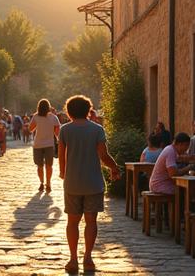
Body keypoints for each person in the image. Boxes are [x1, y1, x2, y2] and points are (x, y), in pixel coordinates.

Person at [58, 95, 120, 274]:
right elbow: (103, 155)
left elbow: (61, 156)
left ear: (69, 112)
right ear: (88, 111)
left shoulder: (65, 130)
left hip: (72, 183)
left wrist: (63, 173)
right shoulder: (97, 129)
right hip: (93, 182)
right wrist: (114, 168)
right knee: (91, 221)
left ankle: (72, 259)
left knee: (72, 222)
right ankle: (88, 258)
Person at [29, 99, 61, 193]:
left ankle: (41, 183)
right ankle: (48, 183)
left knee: (39, 166)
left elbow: (30, 129)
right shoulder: (54, 117)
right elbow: (57, 132)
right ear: (49, 107)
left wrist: (38, 125)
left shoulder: (36, 116)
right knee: (49, 166)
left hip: (38, 144)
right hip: (49, 145)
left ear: (38, 107)